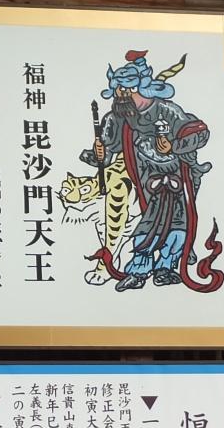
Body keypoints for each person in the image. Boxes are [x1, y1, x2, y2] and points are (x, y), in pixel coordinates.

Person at [79, 50, 211, 291]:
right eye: (119, 91)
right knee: (148, 225)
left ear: (144, 88)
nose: (122, 96)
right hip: (145, 180)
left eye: (128, 90)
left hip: (178, 177)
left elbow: (199, 133)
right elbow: (108, 151)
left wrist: (174, 145)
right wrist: (99, 153)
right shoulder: (118, 117)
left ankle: (166, 268)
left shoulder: (168, 111)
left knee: (178, 223)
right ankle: (139, 271)